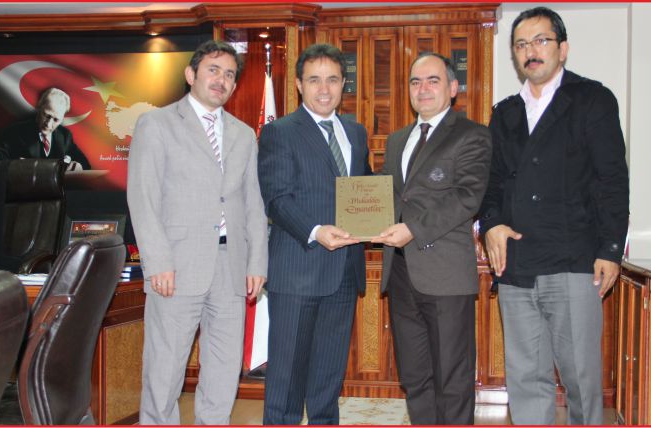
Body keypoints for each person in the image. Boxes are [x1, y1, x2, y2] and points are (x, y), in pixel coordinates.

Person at [480, 7, 629, 425]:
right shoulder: (505, 112)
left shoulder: (592, 99)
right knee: (526, 380)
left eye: (541, 41)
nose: (531, 51)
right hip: (516, 265)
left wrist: (610, 250)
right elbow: (491, 185)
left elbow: (612, 180)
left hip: (574, 261)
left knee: (581, 380)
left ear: (562, 49)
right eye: (521, 44)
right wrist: (491, 224)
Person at [127, 39, 268, 425]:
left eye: (230, 74)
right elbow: (143, 198)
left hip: (231, 268)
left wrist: (257, 262)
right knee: (164, 370)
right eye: (213, 70)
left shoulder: (243, 134)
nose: (221, 80)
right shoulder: (156, 124)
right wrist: (158, 262)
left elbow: (252, 204)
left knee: (223, 370)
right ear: (191, 75)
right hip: (175, 267)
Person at [372, 52, 492, 424]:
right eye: (415, 81)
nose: (423, 89)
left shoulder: (472, 135)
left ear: (453, 88)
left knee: (452, 377)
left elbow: (467, 197)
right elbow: (388, 194)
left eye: (433, 80)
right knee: (414, 376)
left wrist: (413, 228)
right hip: (400, 272)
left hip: (445, 275)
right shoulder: (397, 140)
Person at [257, 43, 372, 425]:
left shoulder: (355, 132)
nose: (324, 89)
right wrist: (316, 231)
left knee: (328, 379)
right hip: (298, 272)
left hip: (344, 273)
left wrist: (384, 217)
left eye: (333, 80)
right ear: (298, 84)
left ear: (343, 84)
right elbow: (276, 198)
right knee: (287, 381)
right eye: (315, 80)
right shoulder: (279, 132)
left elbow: (365, 189)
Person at [0, 87, 91, 170]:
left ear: (62, 118)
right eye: (46, 115)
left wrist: (77, 166)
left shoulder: (65, 136)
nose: (48, 124)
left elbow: (85, 165)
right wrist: (16, 165)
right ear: (39, 106)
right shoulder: (15, 132)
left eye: (56, 120)